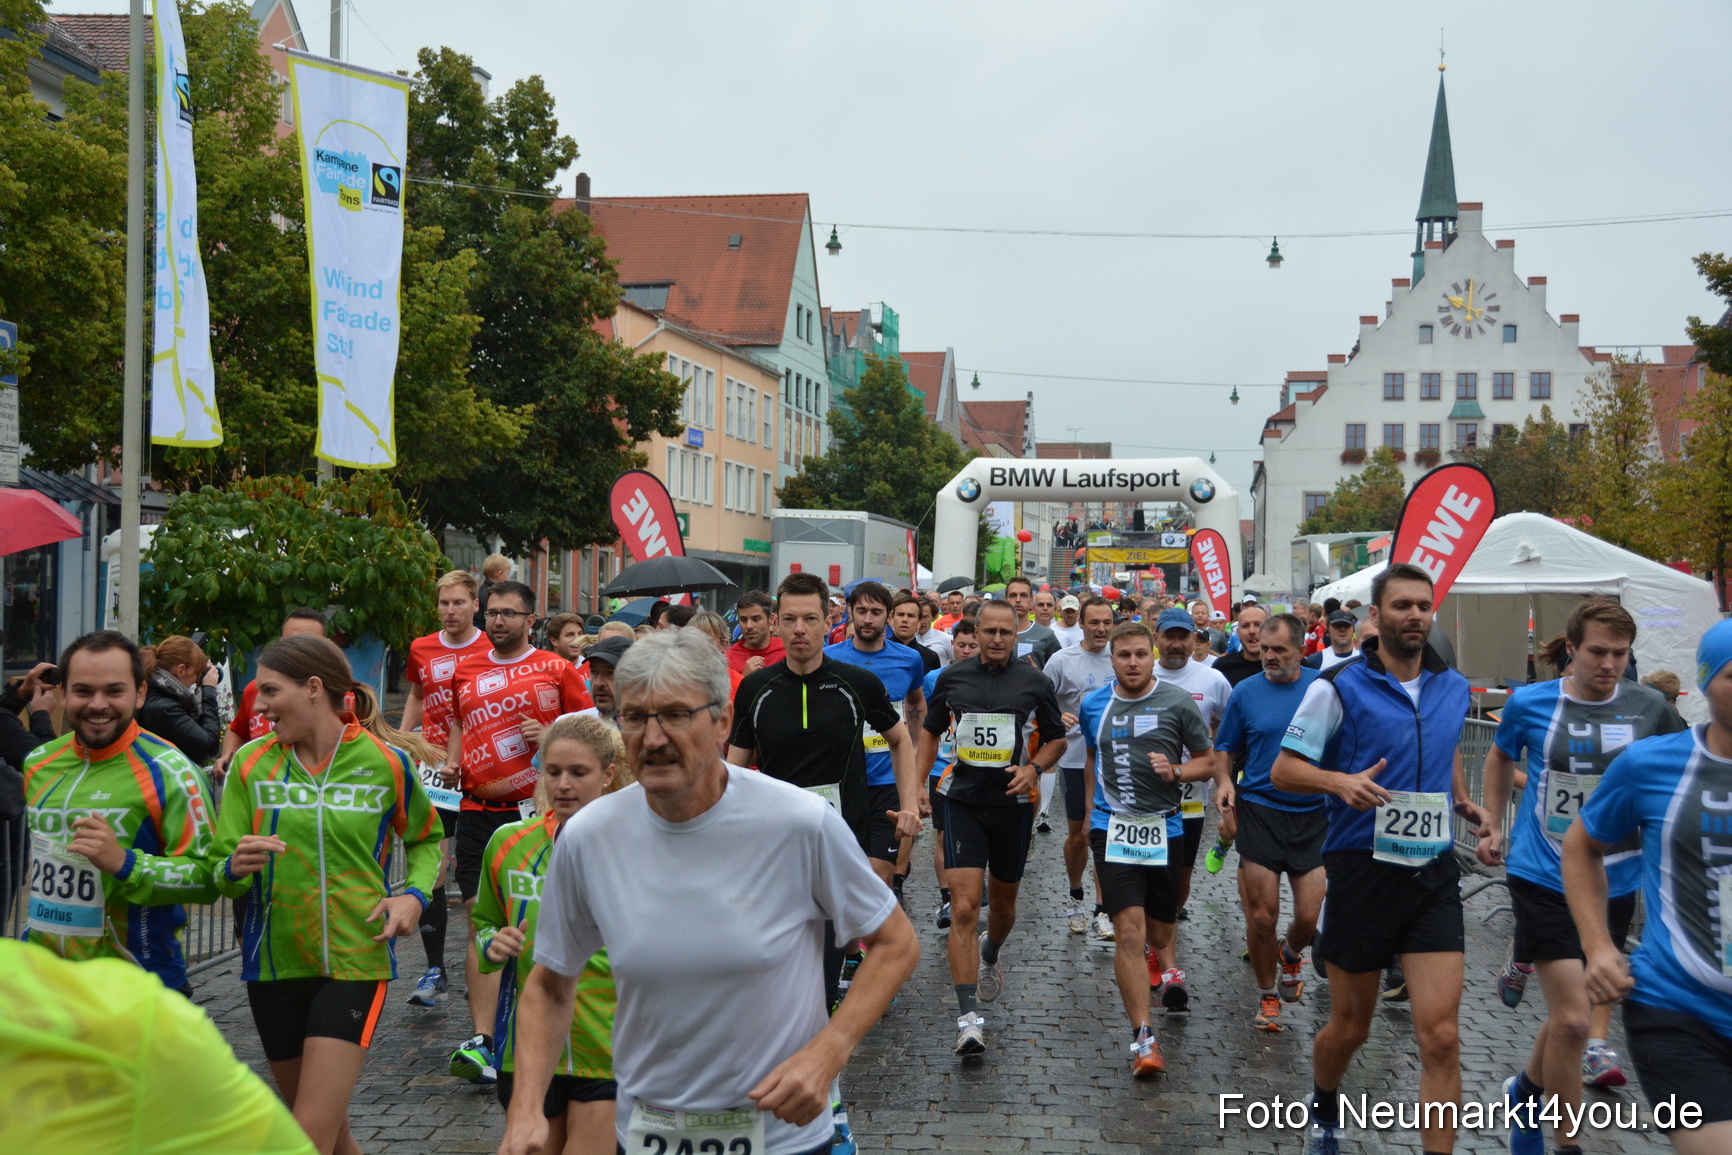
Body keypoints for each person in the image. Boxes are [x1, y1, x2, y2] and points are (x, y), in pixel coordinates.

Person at [499, 630, 920, 1155]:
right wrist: (525, 1110)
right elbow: (550, 983)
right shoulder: (589, 835)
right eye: (635, 717)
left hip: (780, 1137)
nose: (652, 739)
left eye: (675, 715)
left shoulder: (799, 823)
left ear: (722, 722)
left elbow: (896, 942)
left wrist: (828, 1051)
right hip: (647, 1135)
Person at [1272, 562, 1491, 1155]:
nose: (1415, 615)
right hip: (1362, 868)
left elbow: (1441, 746)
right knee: (1351, 1028)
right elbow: (1283, 770)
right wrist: (1339, 782)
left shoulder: (1453, 686)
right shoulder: (1336, 687)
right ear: (1376, 616)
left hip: (1432, 872)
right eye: (1401, 606)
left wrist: (1465, 801)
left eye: (1423, 605)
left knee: (1442, 1036)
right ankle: (1323, 1101)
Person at [211, 634, 442, 1155]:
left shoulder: (386, 762)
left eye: (270, 691)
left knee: (304, 1137)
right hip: (273, 962)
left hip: (355, 960)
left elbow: (427, 840)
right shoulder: (251, 764)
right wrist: (232, 866)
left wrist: (415, 897)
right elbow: (220, 871)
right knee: (330, 1138)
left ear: (313, 688)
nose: (260, 705)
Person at [1480, 598, 1685, 1153]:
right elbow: (1499, 756)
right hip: (1541, 871)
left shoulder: (1651, 709)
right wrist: (1494, 826)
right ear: (1571, 649)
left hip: (1615, 879)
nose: (1609, 664)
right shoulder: (1531, 702)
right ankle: (1564, 1143)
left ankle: (1525, 1091)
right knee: (1573, 1019)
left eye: (1620, 654)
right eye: (1597, 652)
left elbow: (1688, 763)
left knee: (1570, 1011)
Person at [1562, 618, 1732, 1155]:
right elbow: (1581, 844)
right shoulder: (1650, 764)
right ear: (1705, 682)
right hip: (1677, 1010)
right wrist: (1597, 947)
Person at [443, 580, 594, 1086]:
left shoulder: (557, 669)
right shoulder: (465, 668)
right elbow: (461, 723)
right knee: (479, 920)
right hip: (476, 809)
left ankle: (551, 1021)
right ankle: (483, 1039)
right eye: (492, 613)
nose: (498, 621)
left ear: (531, 619)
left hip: (538, 813)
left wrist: (548, 735)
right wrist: (450, 760)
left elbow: (593, 733)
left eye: (510, 613)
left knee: (539, 920)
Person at [21, 630, 218, 993]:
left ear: (140, 693)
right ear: (63, 693)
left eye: (114, 691)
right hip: (45, 984)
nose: (98, 704)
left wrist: (125, 863)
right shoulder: (38, 763)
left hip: (135, 984)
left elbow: (209, 877)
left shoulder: (172, 772)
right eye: (83, 691)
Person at [0, 938, 318, 1155]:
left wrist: (126, 865)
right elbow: (225, 873)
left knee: (320, 1118)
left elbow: (208, 874)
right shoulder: (139, 1014)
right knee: (325, 1124)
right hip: (271, 970)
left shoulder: (134, 1016)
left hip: (352, 961)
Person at [918, 599, 1065, 1058]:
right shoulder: (952, 677)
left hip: (1012, 806)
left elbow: (1058, 737)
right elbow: (929, 730)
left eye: (1007, 632)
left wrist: (1035, 768)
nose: (998, 639)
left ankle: (992, 953)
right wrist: (919, 788)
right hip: (962, 801)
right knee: (964, 908)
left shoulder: (1035, 682)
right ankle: (968, 1021)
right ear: (975, 632)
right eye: (990, 631)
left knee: (1002, 910)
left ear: (1017, 632)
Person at [474, 715, 626, 1155]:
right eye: (553, 771)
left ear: (608, 775)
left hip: (606, 1046)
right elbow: (482, 924)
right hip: (526, 1048)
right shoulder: (508, 842)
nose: (563, 784)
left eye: (579, 773)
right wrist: (492, 943)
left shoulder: (633, 848)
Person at [1079, 620, 1214, 1076]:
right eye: (1124, 656)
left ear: (1152, 655)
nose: (1132, 663)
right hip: (1111, 827)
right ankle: (1143, 1038)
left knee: (1159, 932)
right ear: (1111, 659)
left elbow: (1208, 761)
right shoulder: (1094, 705)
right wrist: (1084, 816)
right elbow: (1092, 758)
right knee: (1129, 934)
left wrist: (1176, 772)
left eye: (1140, 654)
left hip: (1165, 829)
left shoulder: (1177, 702)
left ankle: (1166, 962)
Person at [1213, 613, 1327, 1034]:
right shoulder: (1245, 692)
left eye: (1280, 650)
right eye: (1265, 649)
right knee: (1262, 917)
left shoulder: (1322, 690)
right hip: (1259, 808)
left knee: (1309, 918)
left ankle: (1292, 952)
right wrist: (1225, 780)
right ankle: (1267, 996)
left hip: (1313, 814)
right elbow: (1225, 747)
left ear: (1301, 650)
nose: (1270, 657)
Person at [400, 569, 494, 1009]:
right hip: (434, 764)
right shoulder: (422, 647)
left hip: (481, 765)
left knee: (484, 868)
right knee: (434, 867)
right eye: (444, 603)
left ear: (476, 605)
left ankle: (493, 962)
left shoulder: (491, 645)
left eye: (459, 603)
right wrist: (403, 742)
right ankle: (435, 968)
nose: (451, 610)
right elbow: (418, 696)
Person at [822, 581, 927, 895]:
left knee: (878, 875)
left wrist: (914, 743)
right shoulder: (828, 659)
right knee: (838, 872)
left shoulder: (909, 659)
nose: (868, 619)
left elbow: (916, 700)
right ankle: (850, 944)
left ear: (890, 615)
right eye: (862, 611)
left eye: (876, 612)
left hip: (887, 782)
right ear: (850, 613)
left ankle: (868, 940)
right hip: (841, 781)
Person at [1150, 608, 1232, 920]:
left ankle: (1168, 922)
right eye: (1168, 636)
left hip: (1191, 793)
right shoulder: (1142, 674)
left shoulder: (1213, 680)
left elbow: (1231, 730)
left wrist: (1224, 777)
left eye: (1182, 637)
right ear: (1156, 637)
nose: (1175, 643)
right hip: (1144, 789)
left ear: (1194, 639)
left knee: (1182, 872)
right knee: (1145, 862)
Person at [1041, 596, 1116, 933]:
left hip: (1115, 761)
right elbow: (1038, 706)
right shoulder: (1062, 660)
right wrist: (1058, 718)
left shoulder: (1123, 655)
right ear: (1081, 624)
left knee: (1106, 834)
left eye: (1107, 622)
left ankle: (1103, 909)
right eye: (1094, 622)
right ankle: (1075, 897)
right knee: (1079, 834)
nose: (1101, 629)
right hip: (1073, 759)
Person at [924, 618, 980, 930]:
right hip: (941, 768)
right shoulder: (935, 678)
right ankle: (947, 897)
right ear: (952, 645)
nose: (967, 651)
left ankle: (972, 886)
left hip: (976, 767)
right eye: (961, 645)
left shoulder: (989, 679)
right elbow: (928, 724)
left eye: (973, 645)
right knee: (944, 834)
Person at [221, 608, 330, 766]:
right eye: (290, 642)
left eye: (308, 643)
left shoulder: (341, 694)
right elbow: (237, 730)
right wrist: (228, 757)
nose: (298, 650)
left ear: (326, 646)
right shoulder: (256, 689)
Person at [135, 635, 224, 765]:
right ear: (181, 670)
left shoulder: (153, 689)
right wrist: (208, 692)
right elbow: (209, 746)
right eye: (196, 673)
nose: (196, 680)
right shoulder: (163, 708)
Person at [1004, 577, 1060, 669]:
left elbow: (1059, 672)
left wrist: (1039, 677)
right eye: (1013, 595)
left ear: (1031, 601)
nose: (1018, 600)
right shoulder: (994, 633)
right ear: (1006, 600)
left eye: (1023, 595)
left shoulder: (1046, 635)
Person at [728, 591, 786, 675]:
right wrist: (744, 679)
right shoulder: (728, 658)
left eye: (755, 619)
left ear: (771, 619)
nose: (749, 626)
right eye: (743, 620)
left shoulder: (787, 650)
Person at [1211, 604, 1268, 688]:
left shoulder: (1279, 666)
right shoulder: (1222, 667)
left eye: (1258, 625)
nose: (1251, 631)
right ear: (1238, 633)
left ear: (1269, 630)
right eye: (1245, 626)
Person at [888, 591, 941, 676]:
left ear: (919, 621)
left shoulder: (930, 657)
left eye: (911, 616)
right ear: (891, 617)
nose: (905, 619)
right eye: (900, 614)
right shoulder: (879, 650)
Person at [579, 636, 631, 719]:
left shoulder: (651, 729)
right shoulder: (571, 726)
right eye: (594, 672)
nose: (599, 683)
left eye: (611, 673)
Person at [916, 595, 955, 667]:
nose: (921, 621)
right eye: (918, 617)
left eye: (925, 617)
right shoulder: (907, 640)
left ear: (934, 617)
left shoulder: (947, 639)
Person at [476, 554, 513, 629]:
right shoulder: (492, 594)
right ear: (500, 574)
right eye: (507, 574)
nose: (508, 578)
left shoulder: (482, 589)